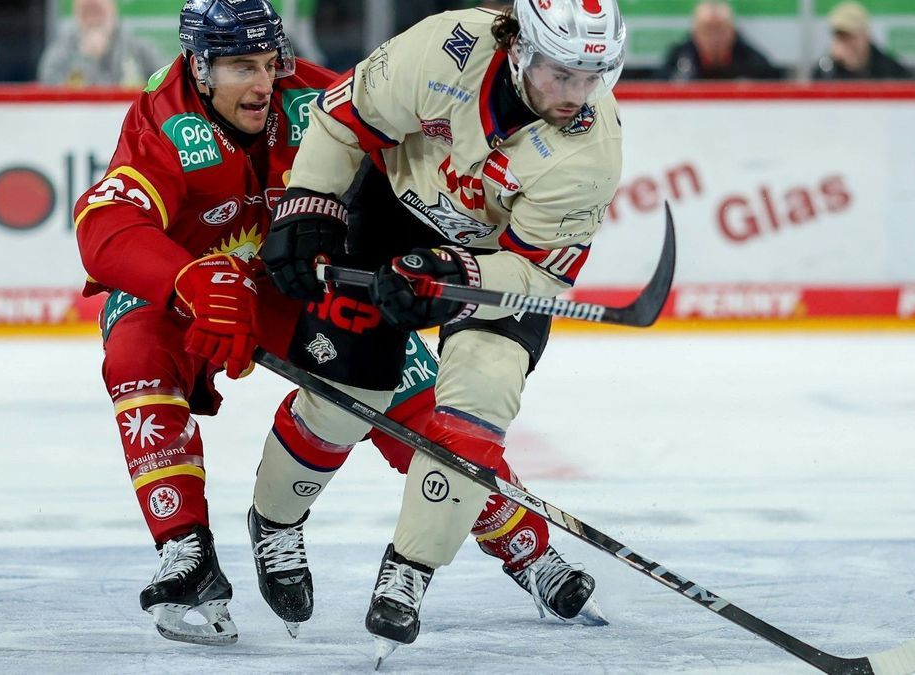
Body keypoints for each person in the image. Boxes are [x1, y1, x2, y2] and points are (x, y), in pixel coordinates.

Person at [74, 0, 587, 647]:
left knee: (421, 406)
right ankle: (187, 552)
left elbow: (419, 161)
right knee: (133, 352)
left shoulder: (311, 95)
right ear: (198, 67)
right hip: (188, 291)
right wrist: (188, 279)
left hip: (299, 285)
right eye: (240, 67)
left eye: (269, 63)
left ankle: (525, 544)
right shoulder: (161, 116)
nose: (263, 83)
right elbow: (103, 227)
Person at [257, 0, 624, 662]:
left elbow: (537, 274)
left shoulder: (589, 154)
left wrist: (454, 273)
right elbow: (345, 114)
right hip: (394, 213)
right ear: (519, 50)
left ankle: (410, 569)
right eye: (561, 74)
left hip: (498, 264)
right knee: (347, 400)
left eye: (590, 76)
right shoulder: (447, 48)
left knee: (477, 404)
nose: (575, 96)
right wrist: (309, 203)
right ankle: (276, 519)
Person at [38, 0, 165, 87]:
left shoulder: (142, 50)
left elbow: (169, 88)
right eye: (88, 11)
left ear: (113, 6)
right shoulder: (57, 57)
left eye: (97, 11)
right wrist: (86, 59)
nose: (94, 19)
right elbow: (51, 107)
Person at [658, 1, 783, 81]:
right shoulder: (677, 60)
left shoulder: (753, 62)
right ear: (695, 32)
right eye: (707, 29)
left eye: (720, 29)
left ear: (733, 31)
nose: (714, 37)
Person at [812, 1, 914, 81]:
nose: (846, 44)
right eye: (840, 37)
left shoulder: (888, 68)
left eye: (850, 36)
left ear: (865, 35)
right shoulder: (826, 70)